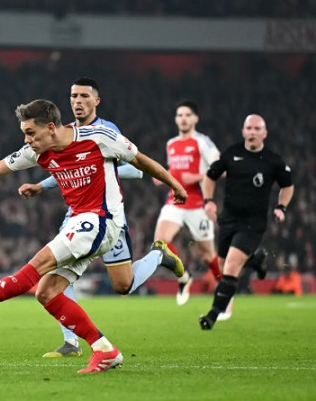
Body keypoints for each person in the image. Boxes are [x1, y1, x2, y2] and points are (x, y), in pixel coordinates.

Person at [0, 99, 187, 373]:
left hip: (102, 220)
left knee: (37, 266)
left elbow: (141, 161)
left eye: (30, 133)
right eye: (24, 133)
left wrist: (175, 186)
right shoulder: (37, 151)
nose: (27, 140)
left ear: (50, 128)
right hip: (81, 222)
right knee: (46, 292)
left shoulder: (99, 137)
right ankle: (105, 350)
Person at [17, 78, 182, 358]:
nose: (77, 101)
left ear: (96, 101)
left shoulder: (106, 131)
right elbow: (65, 168)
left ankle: (158, 255)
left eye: (84, 96)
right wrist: (42, 186)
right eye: (73, 96)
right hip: (76, 215)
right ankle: (71, 341)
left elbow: (134, 169)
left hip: (107, 215)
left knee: (123, 285)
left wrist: (106, 170)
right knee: (57, 272)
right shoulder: (63, 133)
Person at [199, 114, 294, 330]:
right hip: (228, 219)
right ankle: (255, 261)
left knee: (231, 266)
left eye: (256, 129)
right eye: (248, 128)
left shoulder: (273, 160)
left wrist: (281, 207)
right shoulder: (231, 153)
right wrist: (208, 201)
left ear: (264, 133)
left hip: (253, 223)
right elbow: (210, 176)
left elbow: (288, 185)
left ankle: (212, 315)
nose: (252, 132)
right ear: (243, 131)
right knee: (223, 266)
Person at [152, 100, 221, 306]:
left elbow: (220, 168)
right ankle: (184, 277)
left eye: (187, 115)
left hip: (198, 203)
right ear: (176, 119)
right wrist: (162, 176)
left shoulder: (202, 142)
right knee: (160, 242)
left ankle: (225, 288)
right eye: (180, 115)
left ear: (195, 119)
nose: (183, 119)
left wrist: (197, 176)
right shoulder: (171, 144)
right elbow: (174, 171)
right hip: (174, 201)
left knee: (208, 255)